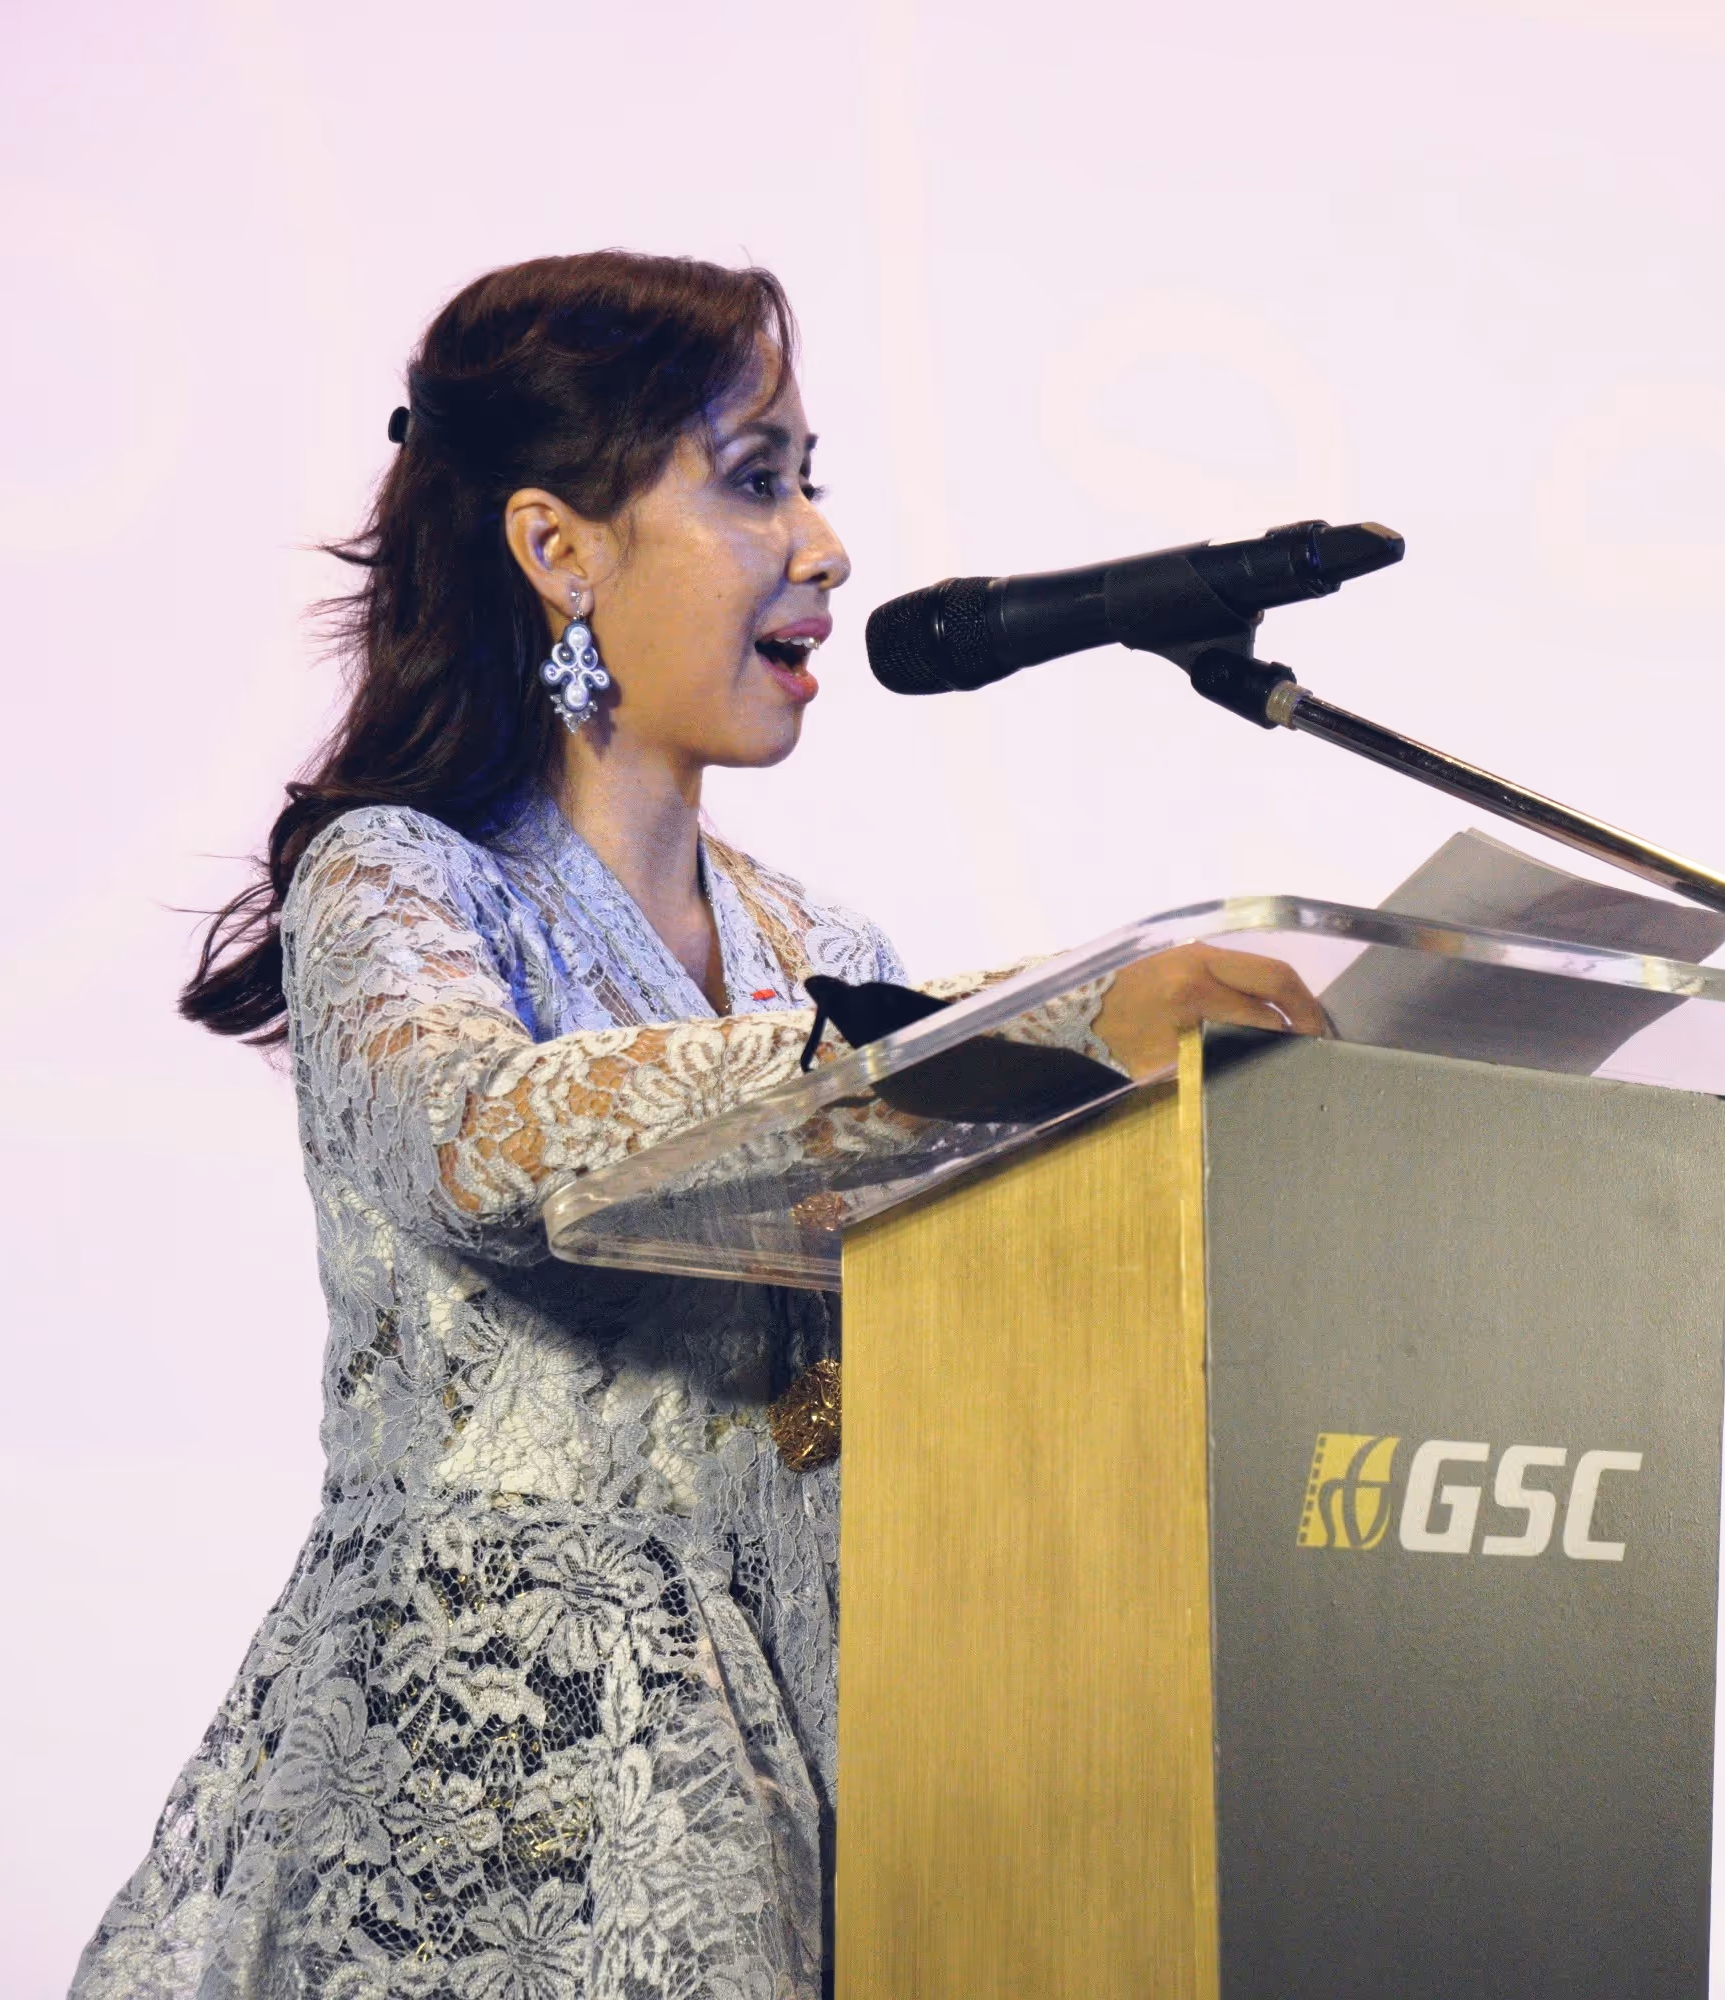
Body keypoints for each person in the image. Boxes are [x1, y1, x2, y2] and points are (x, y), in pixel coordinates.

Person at [70, 250, 1324, 1999]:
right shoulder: (397, 883)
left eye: (812, 480)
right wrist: (1053, 1028)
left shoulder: (822, 951)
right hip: (496, 1808)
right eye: (757, 480)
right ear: (557, 548)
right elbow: (488, 1143)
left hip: (829, 1786)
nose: (824, 545)